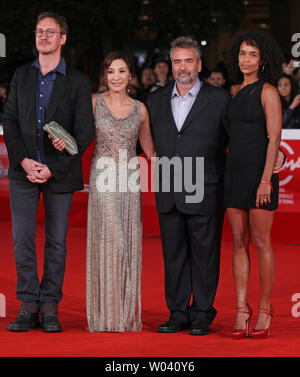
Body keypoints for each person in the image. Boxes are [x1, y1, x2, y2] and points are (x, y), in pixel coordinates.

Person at [3, 12, 94, 332]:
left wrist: (52, 169)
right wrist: (24, 160)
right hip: (23, 172)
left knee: (56, 242)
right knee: (21, 238)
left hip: (59, 174)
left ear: (62, 39)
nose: (43, 36)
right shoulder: (20, 76)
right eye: (39, 31)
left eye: (50, 32)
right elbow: (10, 121)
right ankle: (28, 305)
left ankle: (51, 305)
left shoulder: (79, 82)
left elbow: (83, 134)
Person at [148, 36, 231, 336]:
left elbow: (235, 140)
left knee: (205, 254)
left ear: (199, 64)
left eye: (188, 61)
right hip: (169, 187)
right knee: (173, 255)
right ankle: (178, 312)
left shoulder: (220, 99)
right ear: (171, 66)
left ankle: (202, 313)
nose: (182, 67)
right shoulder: (155, 100)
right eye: (177, 61)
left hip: (206, 188)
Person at [86, 51, 155, 332]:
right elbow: (77, 135)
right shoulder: (93, 103)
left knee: (126, 245)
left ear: (130, 77)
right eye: (111, 71)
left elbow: (150, 150)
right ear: (104, 76)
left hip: (128, 181)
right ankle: (104, 315)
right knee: (112, 241)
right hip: (102, 177)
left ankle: (121, 315)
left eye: (122, 71)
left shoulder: (140, 109)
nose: (116, 76)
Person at [224, 30, 283, 339]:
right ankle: (240, 309)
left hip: (259, 175)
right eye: (242, 53)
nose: (245, 59)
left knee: (261, 243)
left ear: (263, 61)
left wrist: (265, 180)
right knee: (238, 242)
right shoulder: (233, 91)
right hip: (233, 172)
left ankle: (264, 308)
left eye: (252, 54)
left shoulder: (269, 91)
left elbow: (274, 138)